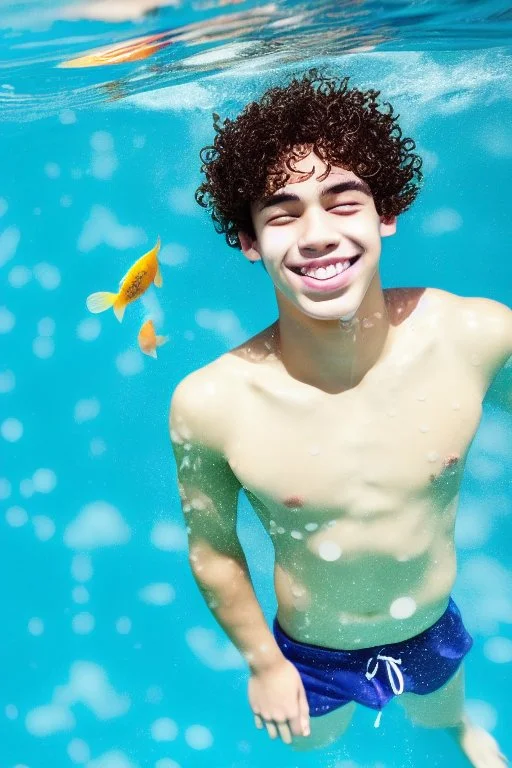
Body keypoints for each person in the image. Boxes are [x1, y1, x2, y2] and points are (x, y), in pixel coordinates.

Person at [169, 69, 511, 765]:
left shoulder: (475, 337)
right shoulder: (212, 404)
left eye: (343, 202)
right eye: (283, 212)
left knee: (442, 712)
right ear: (247, 239)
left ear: (386, 213)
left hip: (429, 627)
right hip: (310, 654)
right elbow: (213, 549)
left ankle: (455, 733)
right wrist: (265, 664)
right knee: (318, 749)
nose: (317, 235)